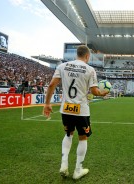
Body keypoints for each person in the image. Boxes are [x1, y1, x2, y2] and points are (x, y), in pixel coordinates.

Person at [43, 45, 108, 180]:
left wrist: (47, 104)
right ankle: (77, 170)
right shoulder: (90, 70)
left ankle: (64, 163)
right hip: (82, 110)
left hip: (66, 108)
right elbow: (95, 91)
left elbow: (51, 85)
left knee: (68, 134)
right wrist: (103, 93)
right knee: (83, 138)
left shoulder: (62, 66)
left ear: (76, 54)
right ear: (87, 56)